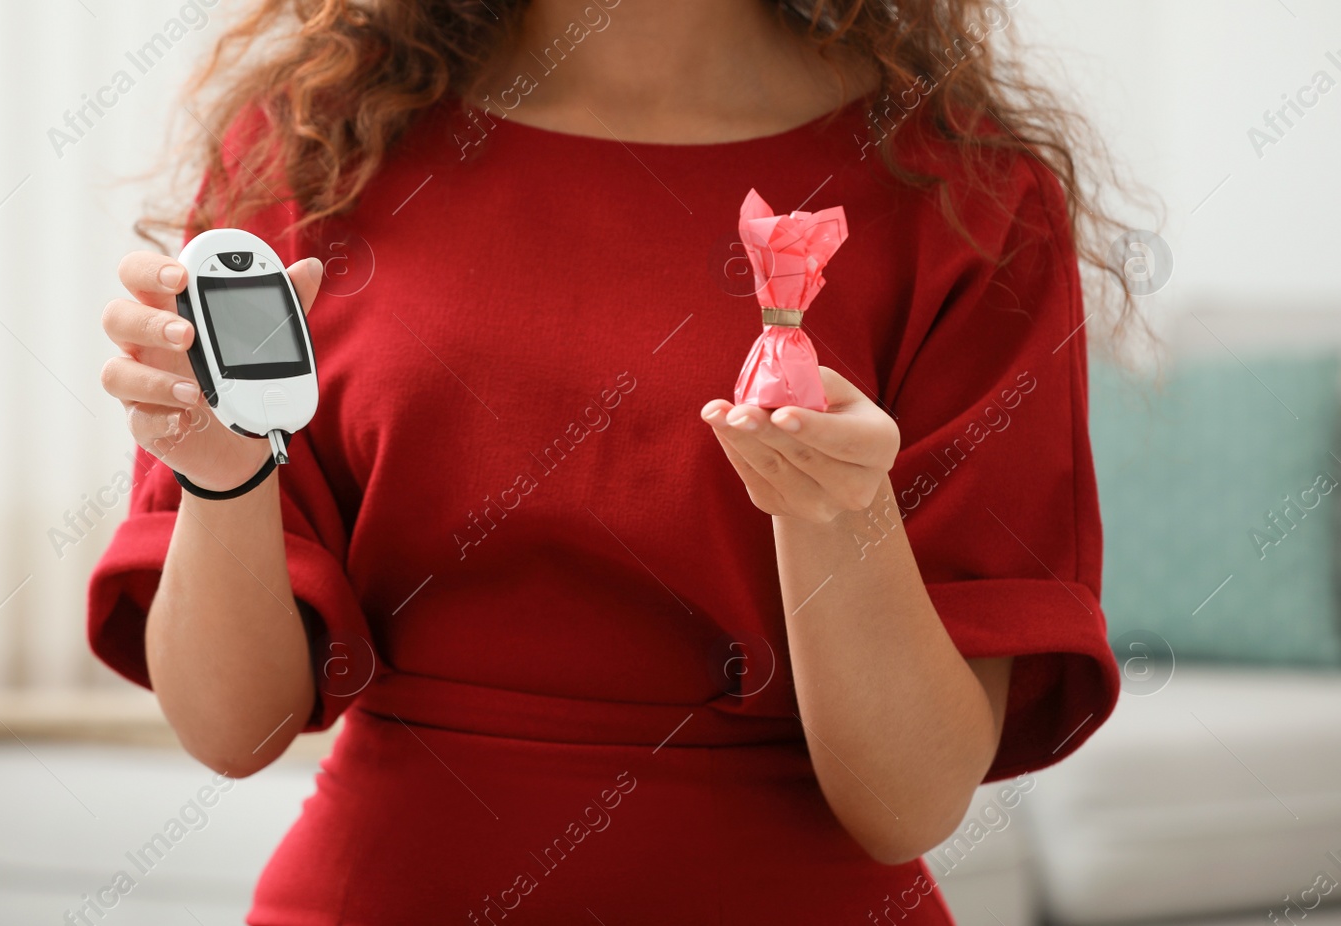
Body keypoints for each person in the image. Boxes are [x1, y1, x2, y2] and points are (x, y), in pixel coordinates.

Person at [89, 0, 1124, 921]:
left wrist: (837, 515)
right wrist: (221, 474)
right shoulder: (311, 146)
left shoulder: (971, 196)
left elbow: (909, 801)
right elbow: (231, 726)